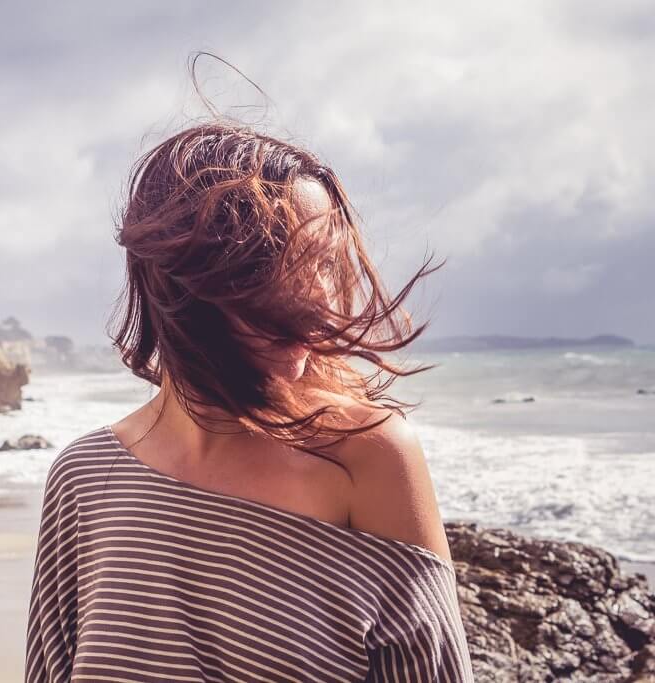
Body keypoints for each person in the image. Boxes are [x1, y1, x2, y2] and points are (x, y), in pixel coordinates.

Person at [25, 116, 475, 681]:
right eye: (278, 263)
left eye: (324, 263)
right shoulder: (86, 479)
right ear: (182, 279)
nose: (319, 298)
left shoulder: (367, 457)